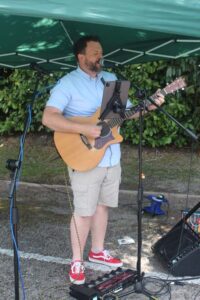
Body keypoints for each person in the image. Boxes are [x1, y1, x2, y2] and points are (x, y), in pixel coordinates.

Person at [42, 35, 165, 285]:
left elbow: (126, 114)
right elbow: (49, 118)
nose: (101, 56)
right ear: (81, 57)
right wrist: (86, 129)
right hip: (84, 155)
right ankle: (77, 261)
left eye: (101, 52)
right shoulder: (67, 84)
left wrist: (149, 106)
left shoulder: (111, 80)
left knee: (102, 206)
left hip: (110, 155)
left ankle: (97, 251)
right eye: (95, 53)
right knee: (83, 211)